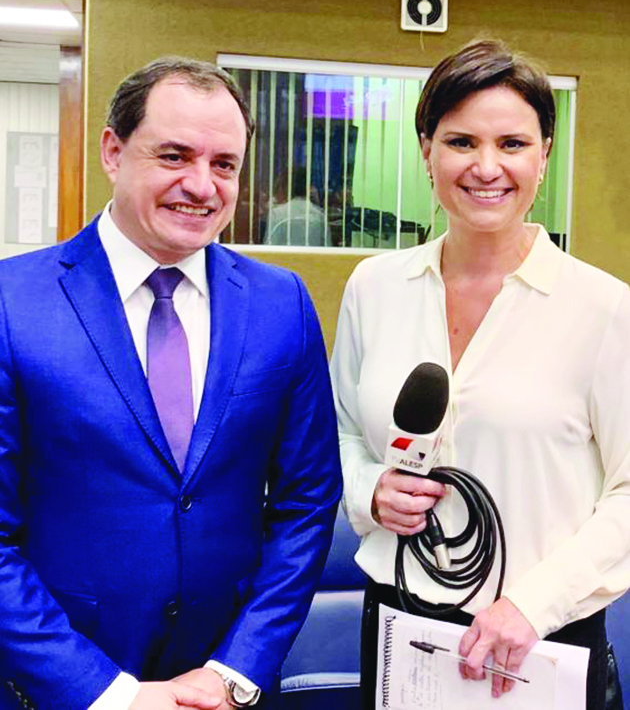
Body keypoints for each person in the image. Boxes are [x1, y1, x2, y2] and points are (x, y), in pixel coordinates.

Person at [0, 57, 342, 710]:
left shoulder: (282, 305)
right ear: (113, 150)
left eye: (225, 164)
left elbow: (306, 503)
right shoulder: (13, 303)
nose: (201, 185)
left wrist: (235, 670)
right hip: (59, 690)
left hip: (224, 692)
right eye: (175, 155)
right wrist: (107, 694)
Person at [330, 40, 630, 710]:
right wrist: (370, 489)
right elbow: (342, 433)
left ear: (544, 155)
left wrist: (533, 603)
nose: (486, 167)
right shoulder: (375, 287)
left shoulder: (605, 308)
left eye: (512, 144)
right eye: (461, 141)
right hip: (399, 621)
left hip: (538, 639)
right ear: (427, 150)